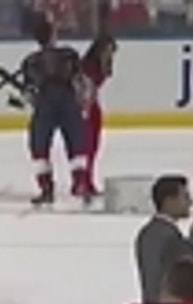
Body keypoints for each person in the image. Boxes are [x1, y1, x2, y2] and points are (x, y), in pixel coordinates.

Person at [20, 13, 92, 204]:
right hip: (67, 100)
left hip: (45, 103)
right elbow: (81, 82)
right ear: (53, 34)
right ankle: (80, 183)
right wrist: (84, 102)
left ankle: (46, 187)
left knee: (39, 145)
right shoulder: (69, 55)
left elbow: (28, 92)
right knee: (77, 143)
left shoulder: (31, 62)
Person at [134, 175, 193, 304]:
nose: (190, 203)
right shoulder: (163, 234)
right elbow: (183, 270)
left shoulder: (152, 232)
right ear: (169, 201)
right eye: (185, 197)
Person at [79, 34, 117, 195]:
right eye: (108, 51)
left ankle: (87, 181)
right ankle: (83, 182)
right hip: (85, 108)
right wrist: (84, 110)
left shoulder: (100, 65)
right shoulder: (88, 67)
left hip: (92, 107)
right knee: (87, 147)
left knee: (93, 148)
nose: (110, 54)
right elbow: (84, 90)